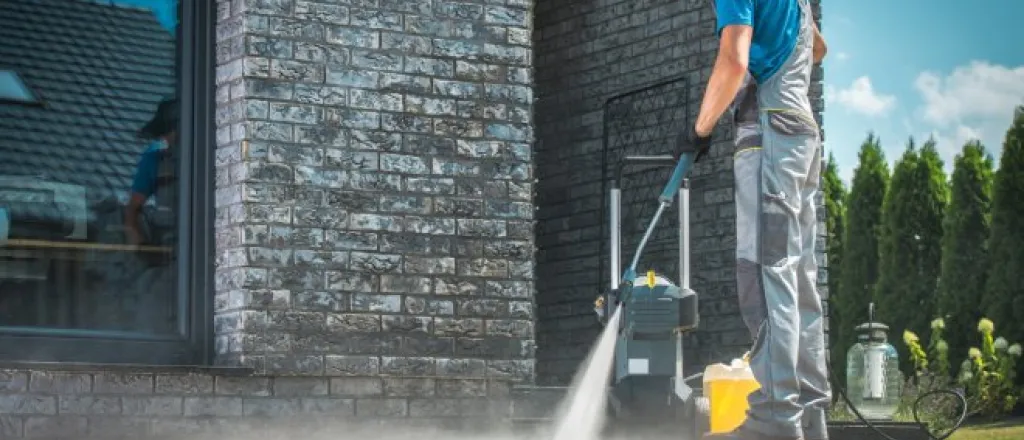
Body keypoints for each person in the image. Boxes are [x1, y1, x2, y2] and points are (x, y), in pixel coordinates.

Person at [679, 0, 830, 439]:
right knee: (798, 280)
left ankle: (774, 421)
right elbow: (817, 48)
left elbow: (733, 59)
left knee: (764, 272)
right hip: (799, 131)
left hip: (766, 133)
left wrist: (699, 129)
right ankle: (808, 418)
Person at [125, 97, 178, 250]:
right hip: (167, 249)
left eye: (167, 132)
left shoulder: (209, 163)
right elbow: (132, 210)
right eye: (163, 134)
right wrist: (141, 245)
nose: (165, 139)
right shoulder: (154, 160)